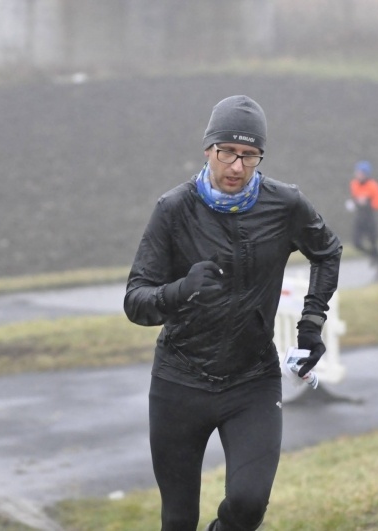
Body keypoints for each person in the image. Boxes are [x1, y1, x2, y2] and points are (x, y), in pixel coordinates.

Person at [124, 95, 342, 531]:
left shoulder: (285, 204)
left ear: (260, 157)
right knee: (178, 519)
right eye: (227, 152)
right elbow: (136, 300)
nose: (237, 167)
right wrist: (181, 290)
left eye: (249, 155)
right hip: (178, 382)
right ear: (208, 150)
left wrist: (312, 324)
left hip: (251, 381)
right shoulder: (174, 209)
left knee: (247, 504)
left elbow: (328, 252)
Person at [349, 160, 378, 281]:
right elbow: (355, 198)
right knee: (356, 242)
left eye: (360, 172)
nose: (358, 175)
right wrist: (354, 203)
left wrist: (367, 202)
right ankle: (372, 256)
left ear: (366, 174)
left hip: (370, 218)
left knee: (374, 244)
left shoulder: (373, 185)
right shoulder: (354, 184)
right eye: (357, 172)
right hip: (360, 218)